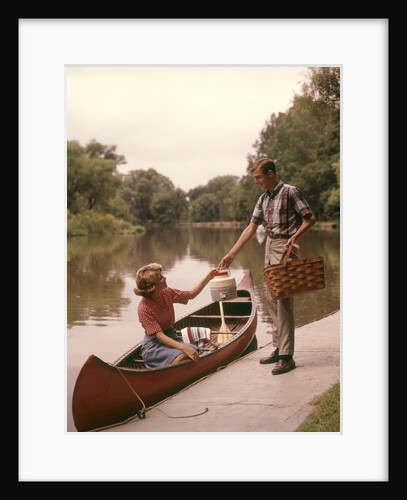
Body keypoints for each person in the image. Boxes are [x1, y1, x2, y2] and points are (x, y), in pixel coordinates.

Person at [218, 157, 316, 375]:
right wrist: (232, 253)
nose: (256, 181)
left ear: (271, 174)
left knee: (283, 300)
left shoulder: (291, 192)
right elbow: (251, 228)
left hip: (285, 245)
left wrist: (295, 236)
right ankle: (278, 347)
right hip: (270, 245)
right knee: (271, 298)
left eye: (258, 177)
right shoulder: (263, 198)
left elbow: (310, 218)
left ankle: (287, 356)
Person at [134, 263, 217, 368]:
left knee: (194, 351)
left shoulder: (166, 292)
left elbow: (190, 295)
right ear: (152, 287)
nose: (165, 278)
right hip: (154, 346)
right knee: (184, 355)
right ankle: (160, 370)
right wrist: (183, 347)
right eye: (160, 278)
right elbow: (159, 336)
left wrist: (208, 278)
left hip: (171, 338)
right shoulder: (143, 308)